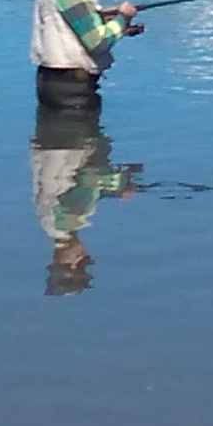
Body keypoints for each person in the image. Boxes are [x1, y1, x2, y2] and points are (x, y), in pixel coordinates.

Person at [31, 105, 140, 293]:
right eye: (83, 262)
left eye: (78, 263)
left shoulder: (69, 221)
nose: (82, 257)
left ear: (57, 261)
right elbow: (81, 187)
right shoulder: (47, 222)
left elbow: (90, 178)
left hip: (74, 139)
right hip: (49, 138)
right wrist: (115, 187)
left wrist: (123, 179)